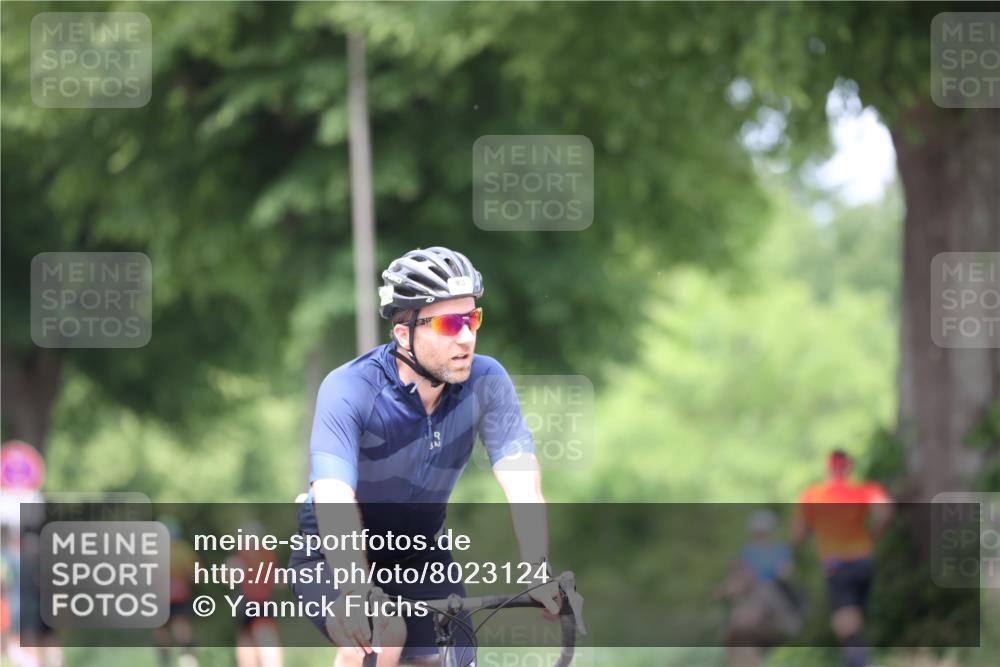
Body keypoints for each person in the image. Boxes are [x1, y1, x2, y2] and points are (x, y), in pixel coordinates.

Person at [288, 247, 559, 667]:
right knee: (385, 630)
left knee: (457, 655)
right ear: (403, 334)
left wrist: (538, 572)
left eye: (472, 319)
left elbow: (522, 480)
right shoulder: (350, 389)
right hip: (330, 553)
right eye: (450, 323)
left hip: (420, 554)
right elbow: (333, 496)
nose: (466, 336)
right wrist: (356, 590)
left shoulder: (488, 381)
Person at [793, 450, 894, 667]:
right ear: (849, 467)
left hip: (837, 564)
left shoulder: (813, 495)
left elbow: (798, 535)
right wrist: (873, 534)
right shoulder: (864, 490)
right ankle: (855, 661)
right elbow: (885, 513)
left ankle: (863, 663)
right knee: (855, 618)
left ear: (829, 468)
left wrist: (816, 528)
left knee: (844, 622)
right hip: (864, 560)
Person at [713, 510, 803, 667]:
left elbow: (784, 573)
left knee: (743, 623)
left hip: (770, 598)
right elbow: (738, 577)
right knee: (740, 633)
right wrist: (725, 589)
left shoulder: (779, 551)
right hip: (755, 598)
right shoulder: (748, 553)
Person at [227, 522, 283, 667]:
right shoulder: (268, 554)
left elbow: (229, 577)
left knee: (246, 643)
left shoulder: (240, 555)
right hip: (264, 602)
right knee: (268, 642)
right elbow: (279, 580)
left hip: (246, 602)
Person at [154, 516, 198, 667]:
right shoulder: (184, 549)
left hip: (159, 596)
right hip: (180, 594)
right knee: (182, 628)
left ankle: (165, 662)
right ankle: (187, 659)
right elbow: (195, 573)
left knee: (162, 632)